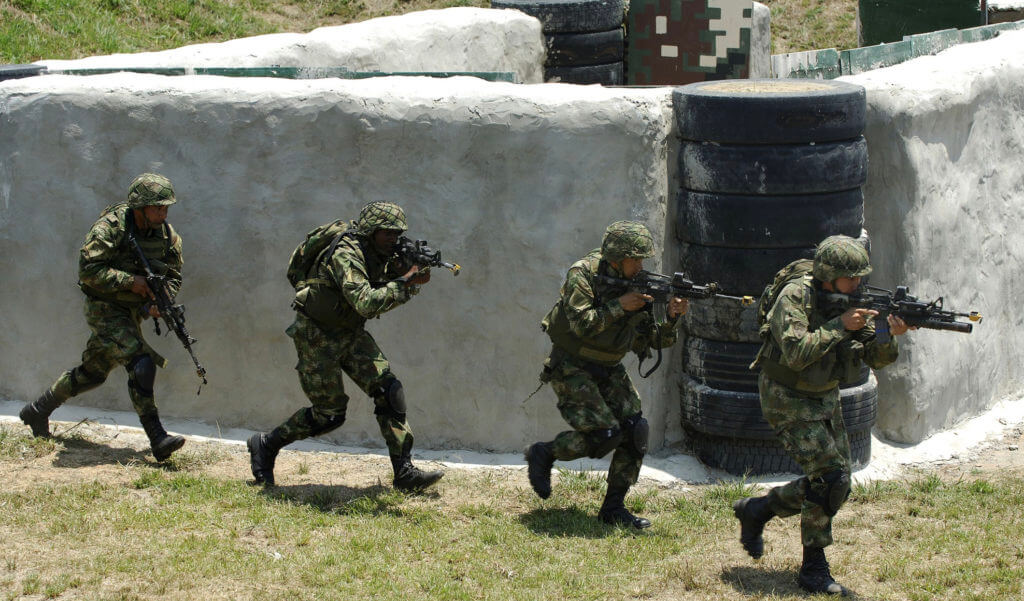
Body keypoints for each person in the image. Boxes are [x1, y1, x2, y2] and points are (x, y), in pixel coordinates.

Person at [735, 234, 914, 595]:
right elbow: (797, 353)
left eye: (861, 278)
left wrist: (886, 332)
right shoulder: (795, 297)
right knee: (831, 479)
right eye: (851, 278)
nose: (858, 285)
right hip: (786, 395)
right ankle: (813, 570)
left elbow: (879, 359)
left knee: (837, 483)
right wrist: (840, 326)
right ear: (828, 276)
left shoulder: (851, 299)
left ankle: (759, 510)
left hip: (824, 395)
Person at [247, 201, 443, 491]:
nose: (393, 239)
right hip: (317, 336)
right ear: (370, 231)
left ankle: (404, 472)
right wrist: (405, 281)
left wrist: (411, 277)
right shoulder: (346, 253)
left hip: (350, 333)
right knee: (329, 415)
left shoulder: (382, 253)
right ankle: (266, 444)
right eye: (386, 233)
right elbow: (365, 301)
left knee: (389, 392)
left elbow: (386, 286)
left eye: (397, 233)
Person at [524, 220, 688, 529]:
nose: (640, 265)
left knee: (635, 429)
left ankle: (613, 509)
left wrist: (671, 318)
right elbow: (582, 324)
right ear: (617, 256)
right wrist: (621, 305)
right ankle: (544, 453)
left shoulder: (638, 284)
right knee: (603, 436)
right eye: (635, 259)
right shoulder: (583, 274)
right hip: (572, 364)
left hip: (610, 366)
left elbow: (654, 341)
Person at [19, 173, 187, 462]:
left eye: (166, 207)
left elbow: (172, 275)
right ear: (140, 207)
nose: (164, 212)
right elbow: (88, 272)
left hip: (132, 312)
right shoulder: (110, 228)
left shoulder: (167, 236)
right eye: (158, 207)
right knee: (141, 362)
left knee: (93, 373)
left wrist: (158, 303)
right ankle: (158, 438)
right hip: (103, 307)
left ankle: (37, 410)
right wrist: (129, 282)